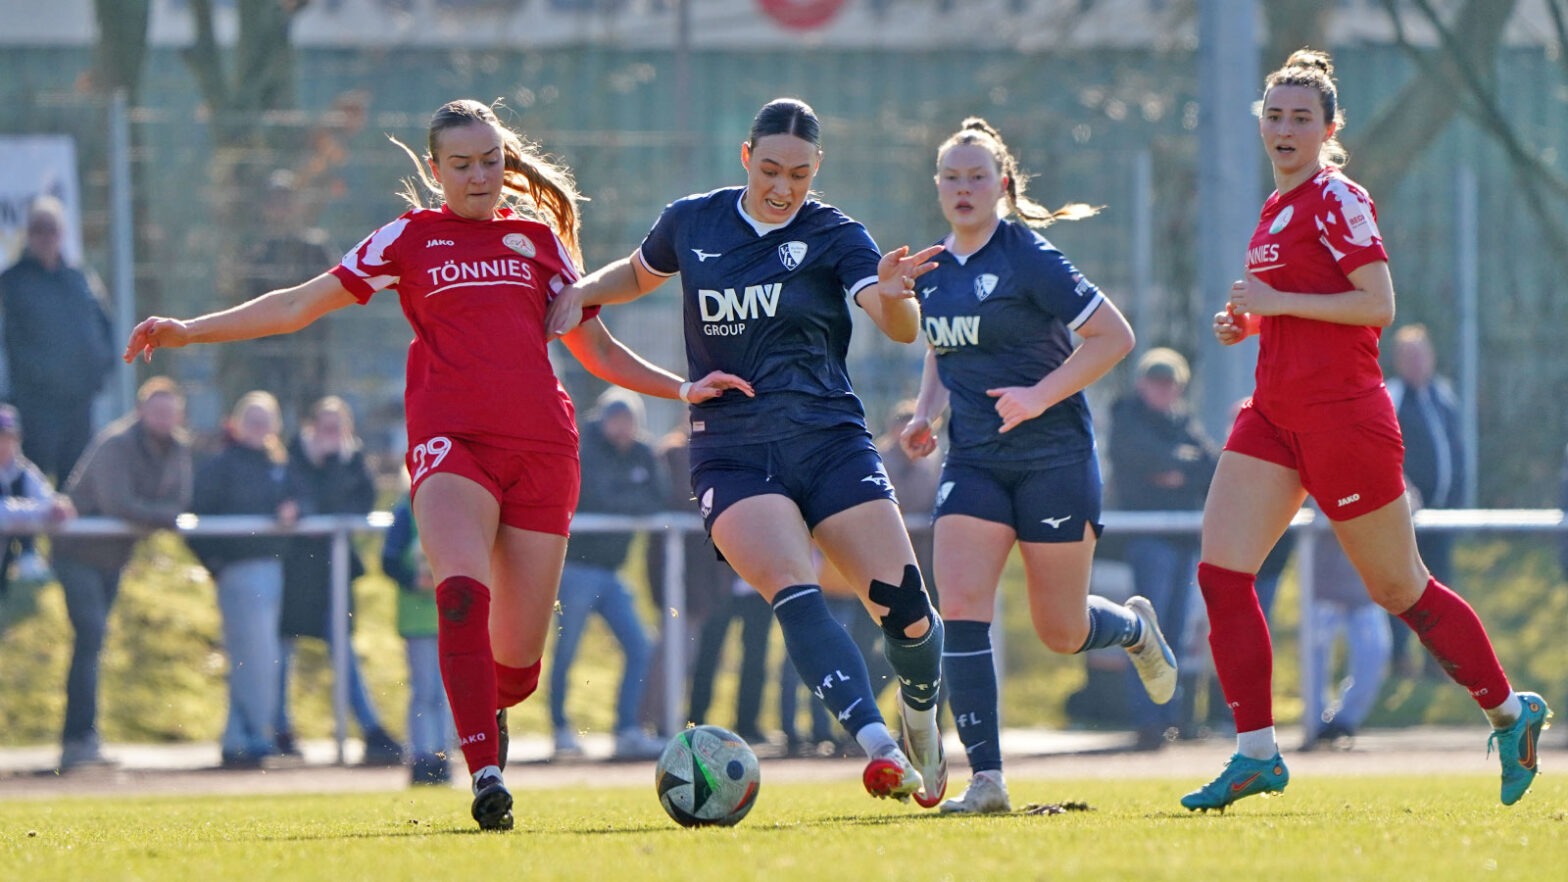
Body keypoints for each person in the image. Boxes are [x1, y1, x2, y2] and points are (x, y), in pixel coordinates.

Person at [124, 98, 749, 830]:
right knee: (457, 594)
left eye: (491, 161)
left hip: (543, 451)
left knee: (516, 667)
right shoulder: (408, 239)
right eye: (462, 164)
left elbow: (598, 351)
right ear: (434, 169)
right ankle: (485, 774)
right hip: (450, 443)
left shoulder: (539, 243)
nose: (479, 175)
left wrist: (682, 388)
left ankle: (492, 711)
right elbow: (299, 304)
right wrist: (190, 331)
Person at [546, 97, 950, 807]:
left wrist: (894, 297)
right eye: (769, 169)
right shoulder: (692, 222)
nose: (782, 187)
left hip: (828, 441)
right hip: (731, 450)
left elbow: (896, 325)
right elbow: (637, 275)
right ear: (745, 157)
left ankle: (918, 716)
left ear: (816, 169)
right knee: (793, 587)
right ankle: (880, 749)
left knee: (909, 615)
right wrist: (581, 289)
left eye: (798, 173)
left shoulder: (836, 234)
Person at [1182, 49, 1549, 812]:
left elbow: (1377, 305)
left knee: (1398, 588)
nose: (1285, 128)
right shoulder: (1275, 206)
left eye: (1300, 118)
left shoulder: (1339, 196)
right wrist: (1248, 323)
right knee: (1220, 572)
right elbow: (1298, 306)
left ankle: (1511, 713)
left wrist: (1276, 303)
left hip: (1344, 421)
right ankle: (1256, 754)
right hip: (1272, 416)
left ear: (1329, 129)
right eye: (1274, 116)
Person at [898, 117, 1174, 815]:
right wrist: (927, 414)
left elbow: (1114, 336)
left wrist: (1038, 396)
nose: (963, 188)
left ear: (1003, 184)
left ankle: (1133, 630)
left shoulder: (1031, 257)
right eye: (951, 177)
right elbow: (941, 347)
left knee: (1061, 631)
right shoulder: (931, 269)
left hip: (1055, 460)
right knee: (961, 607)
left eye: (976, 177)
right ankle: (987, 779)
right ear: (938, 185)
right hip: (975, 462)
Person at [50, 377, 192, 771]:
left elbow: (180, 500)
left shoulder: (179, 448)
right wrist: (160, 518)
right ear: (141, 411)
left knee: (94, 642)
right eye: (156, 411)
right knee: (91, 635)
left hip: (114, 558)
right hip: (77, 553)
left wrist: (154, 515)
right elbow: (118, 503)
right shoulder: (115, 443)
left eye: (170, 412)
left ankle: (84, 737)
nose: (163, 419)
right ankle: (77, 740)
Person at [276, 395, 402, 766]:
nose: (332, 433)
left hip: (334, 571)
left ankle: (371, 729)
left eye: (338, 426)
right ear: (312, 426)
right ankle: (279, 728)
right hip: (296, 572)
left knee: (343, 650)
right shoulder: (292, 458)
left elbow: (355, 505)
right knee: (283, 653)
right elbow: (301, 502)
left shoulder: (352, 462)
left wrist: (333, 463)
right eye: (325, 425)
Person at [1107, 347, 1218, 750]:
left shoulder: (1182, 421)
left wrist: (1176, 468)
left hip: (1183, 539)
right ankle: (1148, 721)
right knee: (1146, 632)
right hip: (1148, 539)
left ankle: (1171, 716)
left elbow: (1210, 466)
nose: (1163, 389)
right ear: (1141, 384)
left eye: (1169, 383)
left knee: (1175, 633)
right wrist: (1178, 465)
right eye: (1156, 382)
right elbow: (1142, 460)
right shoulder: (1126, 417)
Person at [550, 389, 667, 761]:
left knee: (640, 647)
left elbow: (658, 497)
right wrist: (631, 498)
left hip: (613, 573)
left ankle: (627, 728)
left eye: (628, 420)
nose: (622, 427)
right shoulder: (584, 449)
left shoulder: (642, 452)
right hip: (576, 570)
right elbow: (595, 497)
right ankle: (560, 728)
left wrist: (626, 499)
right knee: (566, 651)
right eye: (616, 419)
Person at [187, 391, 299, 769]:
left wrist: (295, 509)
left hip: (273, 571)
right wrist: (217, 565)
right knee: (254, 658)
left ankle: (240, 737)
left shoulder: (278, 464)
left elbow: (305, 498)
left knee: (258, 657)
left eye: (265, 420)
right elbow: (197, 517)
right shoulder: (222, 465)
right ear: (236, 423)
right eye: (252, 419)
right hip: (240, 571)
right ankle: (252, 737)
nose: (259, 427)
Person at [0, 196, 117, 483]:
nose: (45, 237)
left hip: (79, 402)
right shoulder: (11, 282)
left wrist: (99, 372)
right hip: (32, 404)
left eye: (51, 229)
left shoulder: (79, 278)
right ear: (28, 234)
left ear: (62, 233)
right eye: (38, 229)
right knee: (31, 480)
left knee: (76, 482)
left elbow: (105, 327)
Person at [1384, 323, 1466, 677]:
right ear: (1398, 361)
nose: (1417, 362)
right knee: (1404, 589)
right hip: (1406, 520)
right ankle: (1398, 660)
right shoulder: (1392, 396)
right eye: (1409, 356)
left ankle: (1438, 663)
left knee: (1441, 589)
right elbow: (1382, 450)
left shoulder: (1443, 395)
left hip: (1442, 517)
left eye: (1421, 354)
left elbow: (1455, 450)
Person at [1301, 507, 1393, 751]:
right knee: (1314, 660)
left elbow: (1408, 501)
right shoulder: (1313, 483)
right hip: (1323, 590)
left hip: (1366, 590)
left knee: (1375, 653)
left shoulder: (1380, 482)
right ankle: (1316, 725)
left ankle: (1343, 723)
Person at [381, 486, 456, 786]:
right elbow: (389, 560)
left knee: (445, 692)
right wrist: (414, 580)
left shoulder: (454, 510)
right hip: (418, 617)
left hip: (450, 616)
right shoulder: (406, 512)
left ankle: (442, 754)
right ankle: (422, 755)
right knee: (425, 690)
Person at [0, 404, 75, 631]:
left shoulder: (23, 471)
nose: (4, 444)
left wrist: (56, 506)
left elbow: (51, 501)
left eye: (8, 438)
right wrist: (39, 511)